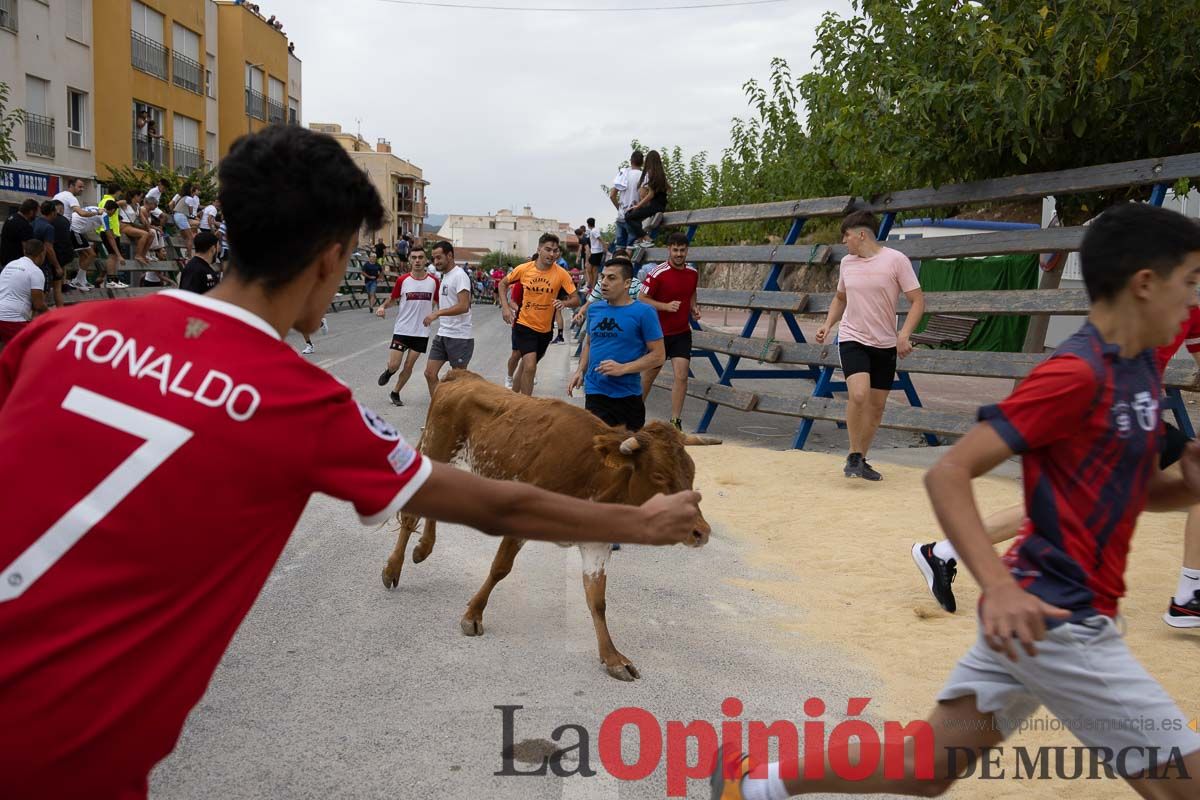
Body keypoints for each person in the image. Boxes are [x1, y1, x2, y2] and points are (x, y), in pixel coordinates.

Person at [0, 117, 704, 800]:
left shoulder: (66, 329)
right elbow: (497, 503)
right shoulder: (303, 402)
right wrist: (642, 524)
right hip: (58, 761)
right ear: (333, 256)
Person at [710, 202, 1200, 800]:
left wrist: (1187, 487)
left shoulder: (1138, 370)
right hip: (1059, 623)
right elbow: (950, 472)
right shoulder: (1076, 374)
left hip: (1032, 622)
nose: (1193, 302)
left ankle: (750, 787)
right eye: (1191, 283)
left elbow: (1135, 493)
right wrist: (997, 586)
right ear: (1146, 285)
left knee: (924, 768)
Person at [913, 302, 1200, 620]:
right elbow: (950, 470)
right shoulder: (1151, 292)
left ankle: (943, 551)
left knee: (1070, 500)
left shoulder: (1184, 296)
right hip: (1110, 405)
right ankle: (1190, 594)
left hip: (1130, 408)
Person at [815, 210, 925, 481]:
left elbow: (918, 301)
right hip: (853, 338)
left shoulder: (896, 261)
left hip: (885, 344)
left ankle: (861, 459)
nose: (844, 241)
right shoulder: (847, 264)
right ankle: (853, 453)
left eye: (847, 236)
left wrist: (904, 335)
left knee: (876, 407)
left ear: (861, 235)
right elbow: (840, 298)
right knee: (860, 395)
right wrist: (828, 324)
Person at [569, 255, 663, 432]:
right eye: (603, 277)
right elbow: (589, 343)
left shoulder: (644, 312)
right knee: (599, 451)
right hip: (595, 393)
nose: (604, 282)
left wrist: (623, 368)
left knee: (628, 454)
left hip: (628, 397)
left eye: (611, 278)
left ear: (627, 283)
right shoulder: (595, 309)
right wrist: (580, 370)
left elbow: (658, 356)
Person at [498, 234, 580, 395]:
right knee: (530, 367)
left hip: (545, 331)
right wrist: (505, 307)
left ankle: (512, 400)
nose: (551, 254)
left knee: (525, 368)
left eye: (555, 251)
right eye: (548, 250)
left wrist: (564, 303)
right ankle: (526, 407)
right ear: (539, 249)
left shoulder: (562, 274)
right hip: (524, 325)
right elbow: (503, 283)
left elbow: (576, 299)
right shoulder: (524, 269)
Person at [639, 232, 699, 432]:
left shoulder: (692, 273)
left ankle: (675, 422)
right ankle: (635, 415)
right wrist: (664, 306)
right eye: (675, 250)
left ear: (687, 250)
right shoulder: (657, 273)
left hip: (682, 332)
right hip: (659, 334)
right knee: (648, 376)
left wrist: (694, 307)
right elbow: (642, 299)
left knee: (681, 376)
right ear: (669, 250)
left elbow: (691, 292)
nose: (679, 254)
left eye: (682, 250)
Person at [375, 247, 438, 406]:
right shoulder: (402, 280)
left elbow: (438, 302)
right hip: (402, 329)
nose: (417, 260)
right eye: (414, 257)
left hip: (421, 332)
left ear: (425, 260)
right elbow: (393, 299)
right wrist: (382, 307)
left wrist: (435, 314)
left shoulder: (434, 281)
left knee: (409, 365)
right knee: (395, 364)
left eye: (421, 257)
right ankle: (389, 371)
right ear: (409, 260)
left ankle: (395, 393)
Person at [423, 240, 473, 396]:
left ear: (450, 255)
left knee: (459, 381)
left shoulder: (460, 276)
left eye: (439, 258)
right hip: (443, 334)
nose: (436, 262)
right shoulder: (445, 276)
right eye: (434, 259)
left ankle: (461, 414)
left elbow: (464, 306)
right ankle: (439, 408)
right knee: (430, 373)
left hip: (459, 337)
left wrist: (437, 313)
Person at [0, 239, 48, 350]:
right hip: (13, 319)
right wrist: (52, 315)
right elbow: (38, 305)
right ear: (42, 253)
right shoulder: (35, 271)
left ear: (25, 251)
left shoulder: (10, 265)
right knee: (31, 349)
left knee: (6, 349)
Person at [625, 149, 669, 250]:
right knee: (633, 215)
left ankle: (646, 239)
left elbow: (651, 194)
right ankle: (641, 239)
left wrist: (638, 206)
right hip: (660, 206)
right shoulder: (661, 174)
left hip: (654, 206)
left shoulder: (650, 174)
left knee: (629, 216)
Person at [31, 201, 65, 308]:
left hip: (30, 261)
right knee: (42, 297)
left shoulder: (34, 223)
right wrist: (57, 266)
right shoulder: (48, 228)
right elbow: (49, 248)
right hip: (43, 264)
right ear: (53, 213)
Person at [609, 149, 644, 250]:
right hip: (633, 217)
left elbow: (612, 195)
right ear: (642, 162)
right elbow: (642, 197)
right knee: (630, 248)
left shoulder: (623, 174)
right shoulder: (642, 176)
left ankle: (618, 265)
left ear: (631, 161)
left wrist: (619, 208)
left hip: (621, 216)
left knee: (619, 249)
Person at [0, 199, 37, 266]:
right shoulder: (25, 225)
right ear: (31, 212)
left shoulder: (10, 218)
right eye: (36, 212)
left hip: (5, 261)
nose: (36, 215)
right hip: (17, 264)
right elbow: (27, 249)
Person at [584, 216, 605, 290]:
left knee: (594, 270)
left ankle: (593, 287)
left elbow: (600, 239)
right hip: (594, 252)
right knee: (589, 269)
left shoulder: (594, 231)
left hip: (597, 252)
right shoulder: (594, 230)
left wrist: (605, 248)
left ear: (588, 224)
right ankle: (591, 284)